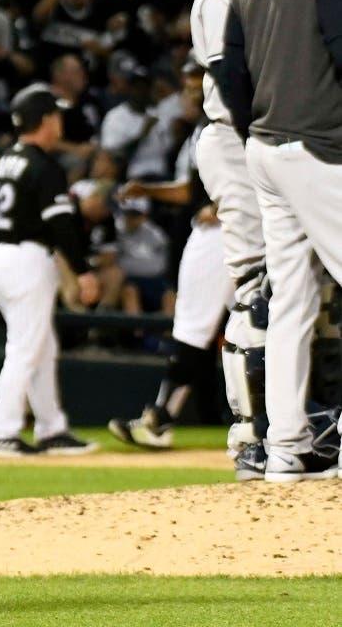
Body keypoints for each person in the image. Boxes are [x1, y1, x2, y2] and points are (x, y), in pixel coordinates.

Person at [221, 0, 342, 482]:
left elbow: (227, 76)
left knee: (292, 298)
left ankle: (288, 446)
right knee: (301, 294)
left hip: (265, 149)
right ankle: (297, 442)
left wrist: (254, 133)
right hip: (321, 146)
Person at [193, 0, 308, 480]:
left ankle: (290, 426)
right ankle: (251, 436)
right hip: (240, 140)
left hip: (271, 139)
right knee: (257, 286)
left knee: (290, 284)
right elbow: (233, 82)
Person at [107, 67, 237, 459]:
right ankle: (165, 417)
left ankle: (165, 418)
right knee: (248, 325)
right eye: (186, 88)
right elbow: (190, 191)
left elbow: (247, 171)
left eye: (198, 88)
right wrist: (147, 188)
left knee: (203, 326)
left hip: (227, 233)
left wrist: (225, 203)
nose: (190, 94)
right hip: (233, 228)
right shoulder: (202, 128)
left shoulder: (230, 121)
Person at [0, 85, 101, 458]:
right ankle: (2, 431)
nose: (60, 120)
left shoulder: (4, 161)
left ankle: (51, 429)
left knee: (41, 347)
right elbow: (62, 225)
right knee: (25, 348)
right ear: (45, 120)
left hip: (4, 257)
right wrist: (82, 271)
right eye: (56, 114)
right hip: (28, 260)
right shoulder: (43, 165)